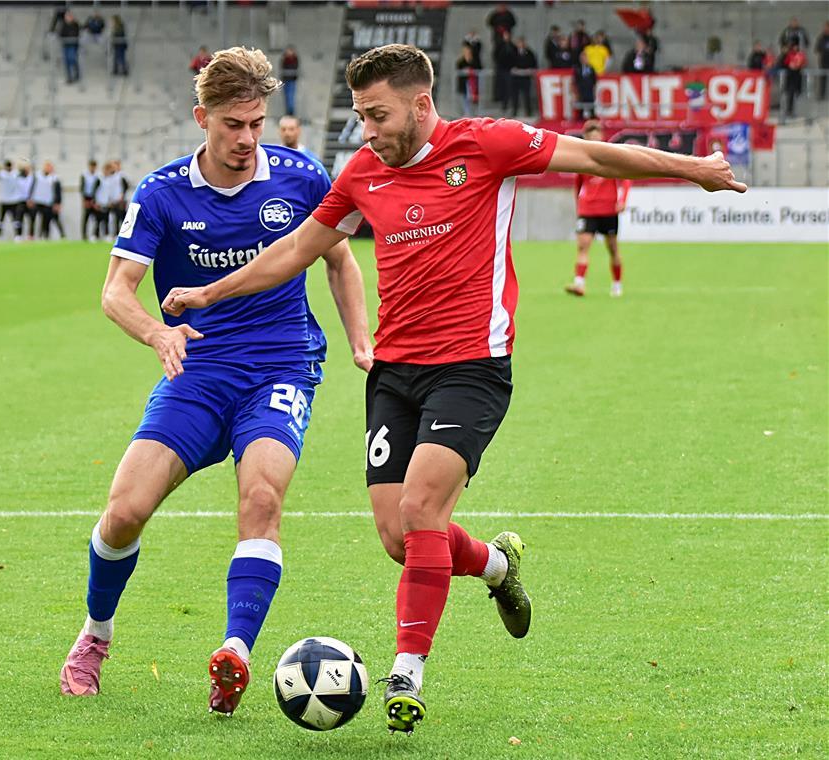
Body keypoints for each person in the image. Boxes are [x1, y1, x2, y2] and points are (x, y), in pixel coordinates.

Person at [161, 43, 746, 735]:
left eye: (378, 115)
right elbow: (295, 250)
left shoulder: (489, 145)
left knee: (421, 508)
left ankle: (407, 673)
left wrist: (694, 169)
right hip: (394, 373)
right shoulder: (363, 172)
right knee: (400, 536)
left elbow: (592, 156)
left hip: (472, 367)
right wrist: (212, 292)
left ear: (421, 104)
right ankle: (496, 565)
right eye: (360, 116)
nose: (367, 130)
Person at [59, 46, 372, 717]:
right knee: (124, 512)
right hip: (197, 371)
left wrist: (359, 339)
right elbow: (116, 291)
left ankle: (235, 653)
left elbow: (340, 261)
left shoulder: (301, 177)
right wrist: (157, 333)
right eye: (233, 124)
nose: (247, 138)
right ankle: (96, 635)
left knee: (261, 498)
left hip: (282, 367)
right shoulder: (162, 192)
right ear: (202, 118)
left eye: (257, 123)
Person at [565, 121, 629, 298]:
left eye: (596, 135)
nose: (594, 138)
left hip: (608, 209)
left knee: (613, 249)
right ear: (586, 137)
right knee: (583, 246)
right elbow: (578, 184)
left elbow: (625, 178)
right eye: (590, 136)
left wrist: (622, 199)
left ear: (601, 136)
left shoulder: (610, 156)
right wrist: (579, 206)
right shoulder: (581, 158)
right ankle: (579, 283)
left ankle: (616, 284)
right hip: (588, 210)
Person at [31, 160, 64, 239]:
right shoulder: (37, 176)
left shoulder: (55, 178)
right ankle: (35, 235)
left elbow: (58, 192)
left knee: (48, 220)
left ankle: (49, 236)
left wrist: (57, 203)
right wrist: (30, 198)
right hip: (38, 201)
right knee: (34, 218)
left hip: (48, 202)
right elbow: (32, 187)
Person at [0, 159, 22, 240]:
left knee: (15, 220)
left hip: (13, 200)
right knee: (1, 220)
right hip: (4, 200)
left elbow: (23, 174)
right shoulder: (3, 173)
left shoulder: (15, 173)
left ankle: (17, 236)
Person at [509, 37, 537, 116]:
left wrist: (530, 70)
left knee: (527, 95)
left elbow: (533, 63)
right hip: (516, 78)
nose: (520, 44)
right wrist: (513, 69)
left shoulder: (529, 52)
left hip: (526, 78)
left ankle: (528, 112)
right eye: (519, 43)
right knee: (515, 96)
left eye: (522, 43)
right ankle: (514, 111)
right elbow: (509, 63)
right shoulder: (513, 52)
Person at [52, 10, 81, 83]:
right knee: (66, 61)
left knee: (72, 59)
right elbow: (61, 34)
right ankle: (69, 77)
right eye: (66, 16)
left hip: (73, 45)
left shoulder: (75, 24)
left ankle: (77, 73)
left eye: (69, 16)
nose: (67, 18)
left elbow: (76, 33)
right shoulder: (63, 25)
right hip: (65, 45)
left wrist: (69, 36)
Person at [781, 42, 807, 118]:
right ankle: (789, 110)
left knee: (797, 93)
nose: (796, 48)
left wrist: (799, 66)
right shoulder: (788, 55)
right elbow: (784, 63)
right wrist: (789, 65)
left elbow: (803, 63)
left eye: (797, 46)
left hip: (797, 77)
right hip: (790, 78)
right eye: (794, 46)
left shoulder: (800, 55)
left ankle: (794, 111)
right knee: (790, 94)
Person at [455, 44, 479, 117]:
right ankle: (466, 113)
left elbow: (478, 68)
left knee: (472, 98)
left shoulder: (474, 60)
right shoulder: (460, 61)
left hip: (472, 83)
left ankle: (472, 113)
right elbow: (458, 69)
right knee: (464, 98)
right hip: (464, 83)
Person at [80, 159, 101, 241]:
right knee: (86, 218)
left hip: (95, 198)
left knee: (97, 218)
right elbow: (82, 188)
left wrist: (95, 200)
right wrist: (84, 200)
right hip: (87, 198)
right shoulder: (84, 175)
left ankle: (95, 234)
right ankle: (84, 235)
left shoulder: (98, 176)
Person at [573, 50, 597, 119]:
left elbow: (594, 79)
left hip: (589, 89)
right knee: (581, 105)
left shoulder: (591, 68)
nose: (584, 59)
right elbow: (576, 79)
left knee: (591, 105)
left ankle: (592, 117)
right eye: (582, 58)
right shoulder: (577, 68)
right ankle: (580, 118)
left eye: (585, 58)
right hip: (581, 90)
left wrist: (594, 88)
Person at [16, 161, 36, 240]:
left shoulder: (33, 177)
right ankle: (18, 235)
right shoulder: (18, 177)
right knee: (19, 219)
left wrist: (31, 199)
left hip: (30, 201)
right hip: (20, 201)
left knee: (32, 219)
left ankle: (31, 235)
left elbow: (34, 189)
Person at [280, 45, 299, 116]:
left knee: (290, 96)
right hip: (285, 79)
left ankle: (291, 112)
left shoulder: (294, 59)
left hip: (291, 80)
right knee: (287, 96)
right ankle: (288, 111)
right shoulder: (284, 58)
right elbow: (282, 67)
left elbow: (295, 67)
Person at [815, 22, 829, 100]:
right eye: (825, 27)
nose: (826, 29)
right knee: (823, 78)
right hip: (823, 61)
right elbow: (817, 49)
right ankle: (822, 95)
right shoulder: (821, 38)